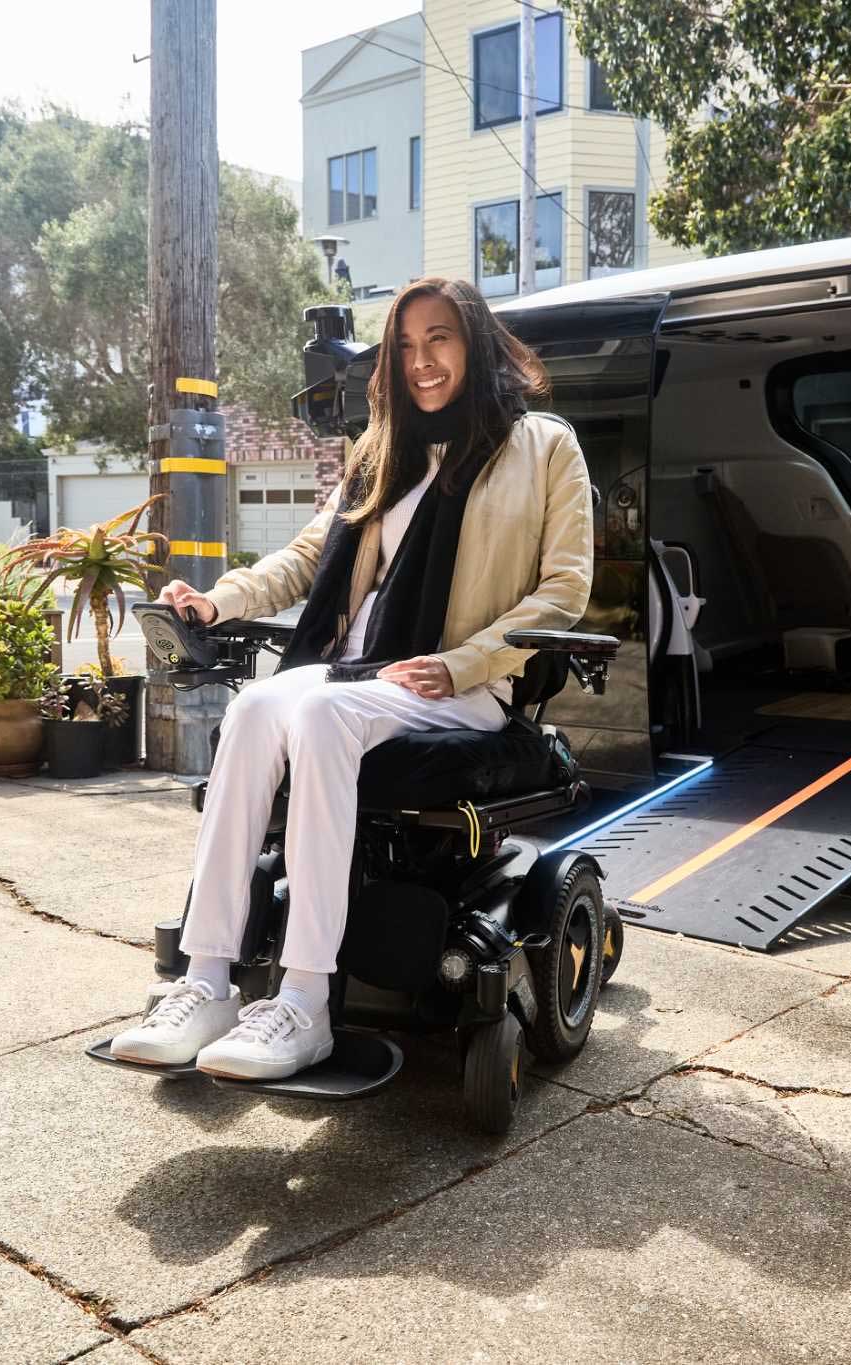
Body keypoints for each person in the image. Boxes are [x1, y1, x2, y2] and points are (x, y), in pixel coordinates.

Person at [108, 277, 594, 1080]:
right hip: (359, 671)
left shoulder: (543, 446)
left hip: (462, 687)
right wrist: (216, 599)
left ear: (473, 341)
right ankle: (208, 983)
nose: (421, 360)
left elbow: (565, 588)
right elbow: (305, 558)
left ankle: (304, 1001)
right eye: (405, 345)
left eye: (439, 338)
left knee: (323, 716)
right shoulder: (382, 450)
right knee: (261, 704)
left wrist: (459, 662)